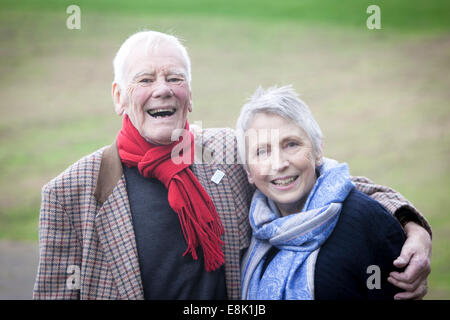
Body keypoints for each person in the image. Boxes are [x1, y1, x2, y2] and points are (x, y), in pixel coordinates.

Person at [33, 31, 431, 300]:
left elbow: (326, 180)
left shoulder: (224, 150)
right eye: (145, 79)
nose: (163, 89)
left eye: (175, 77)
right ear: (119, 96)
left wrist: (412, 228)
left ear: (190, 94)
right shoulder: (73, 191)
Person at [238, 85, 428, 299]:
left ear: (318, 151)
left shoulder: (368, 223)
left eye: (291, 144)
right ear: (248, 171)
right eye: (262, 151)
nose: (279, 163)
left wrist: (416, 229)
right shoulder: (248, 227)